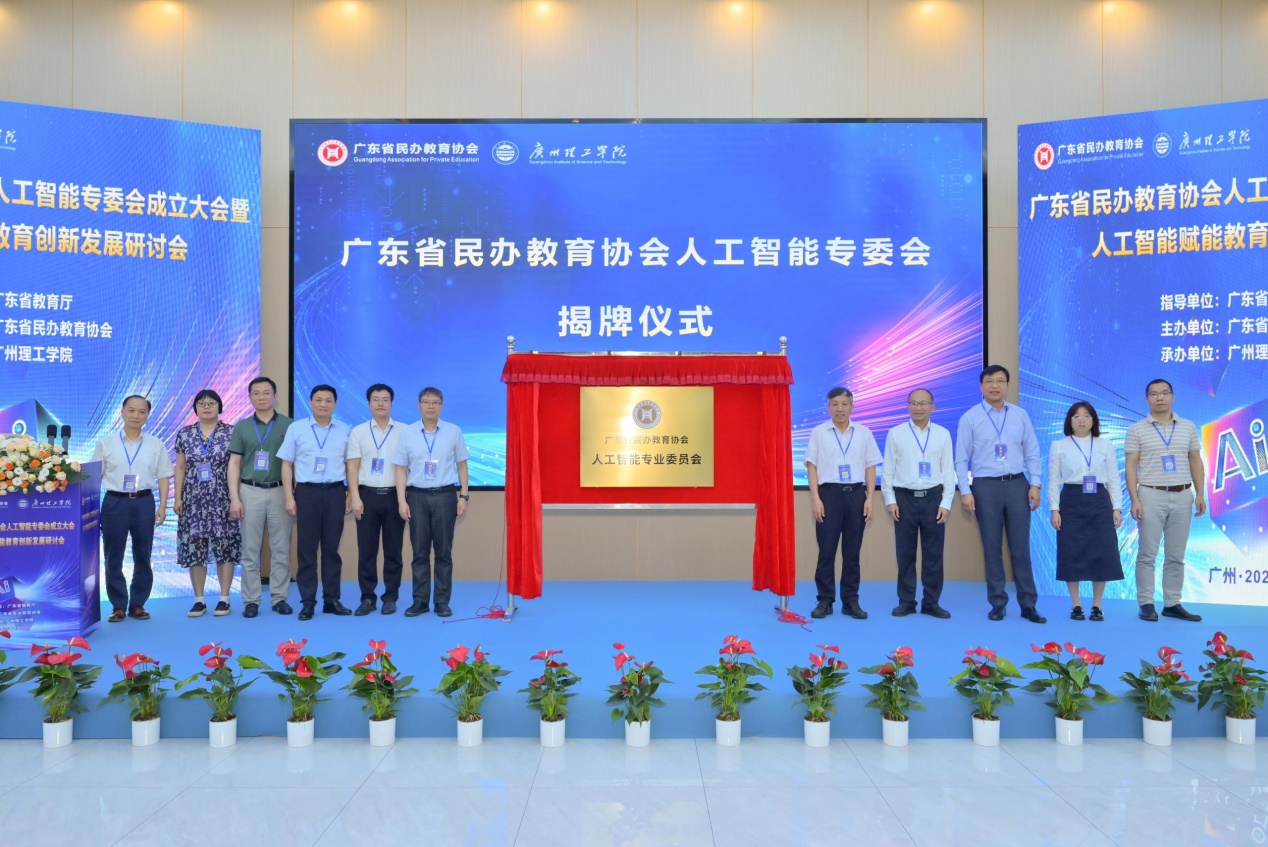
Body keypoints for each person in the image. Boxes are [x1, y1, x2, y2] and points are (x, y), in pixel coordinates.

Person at [955, 365, 1047, 623]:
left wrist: (1035, 484)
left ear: (1007, 385)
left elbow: (1032, 452)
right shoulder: (970, 418)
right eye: (989, 381)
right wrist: (965, 491)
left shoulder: (1020, 415)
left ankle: (1028, 605)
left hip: (1018, 484)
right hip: (985, 487)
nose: (994, 386)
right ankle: (997, 604)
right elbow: (961, 459)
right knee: (992, 547)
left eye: (1000, 381)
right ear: (981, 386)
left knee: (1021, 549)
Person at [1124, 378, 1206, 622]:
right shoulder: (1137, 429)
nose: (1159, 397)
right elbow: (1131, 466)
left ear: (1172, 396)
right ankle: (1146, 603)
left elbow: (1195, 461)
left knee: (1176, 555)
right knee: (1147, 554)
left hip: (1183, 495)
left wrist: (1200, 493)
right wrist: (1135, 499)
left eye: (1164, 393)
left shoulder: (1188, 427)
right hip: (1151, 494)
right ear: (1147, 399)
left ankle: (1172, 603)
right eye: (1154, 394)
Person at [92, 395, 173, 623]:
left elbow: (163, 476)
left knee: (143, 555)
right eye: (131, 410)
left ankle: (138, 603)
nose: (136, 415)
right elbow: (94, 478)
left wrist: (163, 506)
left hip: (144, 501)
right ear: (122, 412)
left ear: (147, 415)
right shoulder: (106, 443)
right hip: (114, 502)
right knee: (113, 556)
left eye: (141, 411)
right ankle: (118, 605)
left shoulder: (156, 444)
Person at [804, 387, 881, 620]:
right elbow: (812, 466)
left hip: (856, 495)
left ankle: (850, 601)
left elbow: (870, 466)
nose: (840, 409)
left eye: (844, 404)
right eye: (835, 404)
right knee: (826, 551)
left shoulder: (864, 433)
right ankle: (825, 600)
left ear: (852, 407)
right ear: (828, 408)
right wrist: (816, 498)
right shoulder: (819, 432)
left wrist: (870, 498)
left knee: (852, 552)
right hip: (829, 495)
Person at [277, 384, 353, 621]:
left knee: (331, 550)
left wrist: (351, 493)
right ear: (311, 402)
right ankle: (308, 603)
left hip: (335, 492)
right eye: (318, 400)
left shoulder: (345, 430)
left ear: (335, 404)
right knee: (307, 550)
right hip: (307, 492)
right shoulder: (296, 428)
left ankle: (331, 600)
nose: (323, 404)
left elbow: (351, 465)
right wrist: (289, 496)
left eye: (328, 400)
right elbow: (286, 464)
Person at [393, 387, 470, 619]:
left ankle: (442, 602)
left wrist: (463, 496)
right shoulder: (407, 433)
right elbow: (400, 469)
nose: (430, 406)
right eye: (426, 402)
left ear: (441, 406)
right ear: (419, 405)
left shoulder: (453, 431)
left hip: (445, 495)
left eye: (435, 402)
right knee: (420, 552)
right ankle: (420, 601)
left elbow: (462, 465)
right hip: (416, 496)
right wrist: (401, 500)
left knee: (444, 552)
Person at [882, 388, 956, 619]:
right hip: (904, 499)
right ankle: (906, 602)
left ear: (932, 407)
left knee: (933, 555)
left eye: (923, 403)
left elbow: (948, 471)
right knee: (905, 554)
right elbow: (887, 470)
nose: (918, 407)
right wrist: (890, 500)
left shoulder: (943, 434)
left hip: (933, 499)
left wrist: (946, 503)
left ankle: (931, 603)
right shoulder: (896, 433)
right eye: (914, 403)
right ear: (908, 406)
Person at [1049, 401, 1124, 621]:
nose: (1081, 420)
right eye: (1076, 416)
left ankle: (1097, 605)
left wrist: (1117, 508)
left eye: (1086, 416)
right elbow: (1053, 480)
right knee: (1071, 552)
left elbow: (1113, 478)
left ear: (1093, 421)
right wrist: (1055, 509)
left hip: (1099, 500)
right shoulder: (1059, 445)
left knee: (1102, 552)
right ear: (1069, 420)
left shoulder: (1105, 445)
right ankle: (1076, 604)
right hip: (1071, 500)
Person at [227, 376, 294, 618]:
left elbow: (295, 463)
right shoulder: (242, 427)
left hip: (280, 491)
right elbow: (234, 463)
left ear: (275, 396)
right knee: (250, 550)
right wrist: (235, 498)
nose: (262, 397)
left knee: (281, 548)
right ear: (250, 397)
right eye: (256, 393)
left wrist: (292, 495)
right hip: (250, 491)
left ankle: (279, 598)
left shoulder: (290, 425)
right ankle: (251, 600)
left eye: (267, 393)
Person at [174, 390, 240, 617]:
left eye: (212, 403)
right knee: (195, 547)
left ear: (220, 406)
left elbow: (236, 467)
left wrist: (236, 498)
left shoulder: (231, 432)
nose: (207, 406)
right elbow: (180, 467)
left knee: (225, 546)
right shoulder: (185, 434)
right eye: (201, 403)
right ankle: (199, 600)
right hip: (193, 499)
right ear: (195, 408)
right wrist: (178, 497)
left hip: (223, 498)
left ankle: (224, 598)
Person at [347, 383, 405, 616]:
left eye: (385, 399)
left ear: (391, 403)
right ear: (369, 403)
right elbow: (352, 467)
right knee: (367, 551)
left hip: (394, 496)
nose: (380, 403)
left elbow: (407, 466)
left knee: (393, 551)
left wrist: (403, 499)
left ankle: (390, 597)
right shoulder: (358, 432)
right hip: (367, 496)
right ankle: (367, 598)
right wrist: (355, 496)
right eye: (376, 399)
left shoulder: (404, 431)